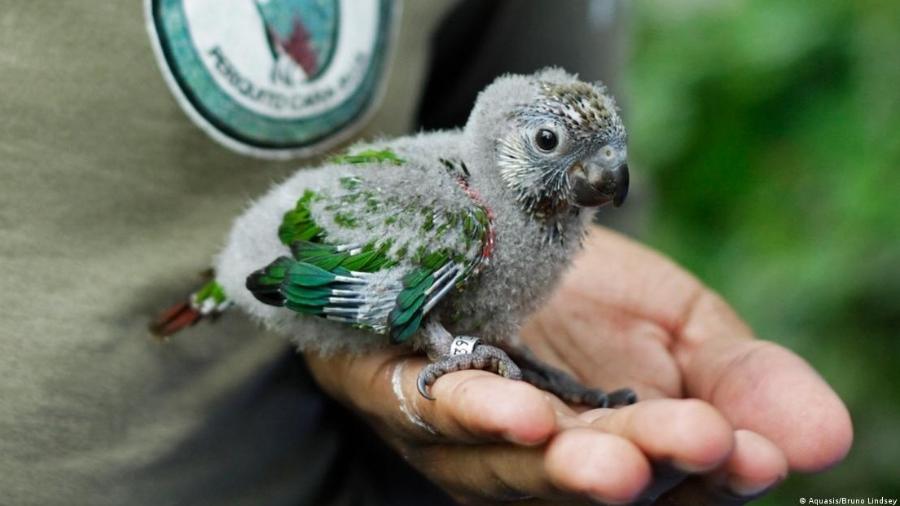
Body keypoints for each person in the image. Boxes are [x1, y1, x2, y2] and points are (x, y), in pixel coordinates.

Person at [0, 1, 850, 505]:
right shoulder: (460, 222)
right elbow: (294, 272)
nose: (598, 174)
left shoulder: (536, 214)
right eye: (551, 143)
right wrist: (437, 339)